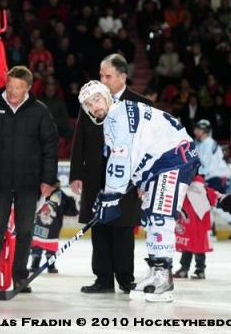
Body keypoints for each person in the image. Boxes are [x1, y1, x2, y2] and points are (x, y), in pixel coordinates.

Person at [79, 80, 200, 302]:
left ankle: (164, 278)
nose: (94, 106)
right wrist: (111, 195)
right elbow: (131, 156)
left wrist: (111, 196)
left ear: (107, 95)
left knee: (159, 216)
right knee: (151, 217)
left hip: (173, 159)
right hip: (159, 165)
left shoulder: (120, 114)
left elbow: (121, 158)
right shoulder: (114, 119)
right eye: (88, 104)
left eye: (96, 99)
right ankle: (156, 272)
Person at [0, 66, 59, 293]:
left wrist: (48, 179)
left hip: (28, 184)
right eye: (10, 86)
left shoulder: (40, 111)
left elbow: (50, 148)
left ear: (28, 88)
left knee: (25, 231)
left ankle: (20, 277)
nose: (12, 92)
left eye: (18, 88)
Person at [71, 54, 151, 294]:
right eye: (100, 75)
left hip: (127, 181)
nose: (102, 80)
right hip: (96, 178)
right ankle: (103, 279)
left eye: (107, 76)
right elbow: (79, 141)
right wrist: (76, 173)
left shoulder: (140, 104)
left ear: (122, 77)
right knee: (100, 230)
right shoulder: (89, 101)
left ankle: (126, 279)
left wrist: (145, 178)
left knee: (123, 230)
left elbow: (147, 145)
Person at [29, 180, 77, 274]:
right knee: (36, 245)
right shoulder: (39, 191)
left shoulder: (60, 195)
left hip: (53, 228)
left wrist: (73, 204)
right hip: (39, 225)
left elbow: (70, 207)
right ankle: (35, 264)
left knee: (51, 247)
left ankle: (51, 265)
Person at [174, 175, 215, 280]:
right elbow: (216, 198)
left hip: (194, 227)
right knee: (192, 248)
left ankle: (191, 269)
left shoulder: (187, 191)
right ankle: (195, 270)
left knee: (193, 248)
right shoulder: (204, 192)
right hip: (194, 227)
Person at [193, 119, 231, 193]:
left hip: (218, 177)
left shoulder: (209, 144)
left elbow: (205, 166)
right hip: (211, 177)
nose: (195, 132)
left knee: (213, 202)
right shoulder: (199, 143)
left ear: (204, 131)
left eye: (198, 129)